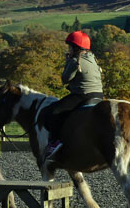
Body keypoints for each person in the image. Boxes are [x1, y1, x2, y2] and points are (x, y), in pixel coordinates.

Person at [41, 30, 104, 161]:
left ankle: (54, 143)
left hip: (82, 95)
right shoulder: (93, 59)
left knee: (53, 111)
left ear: (75, 48)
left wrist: (67, 62)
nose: (68, 49)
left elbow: (65, 79)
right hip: (99, 95)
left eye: (70, 47)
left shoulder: (75, 61)